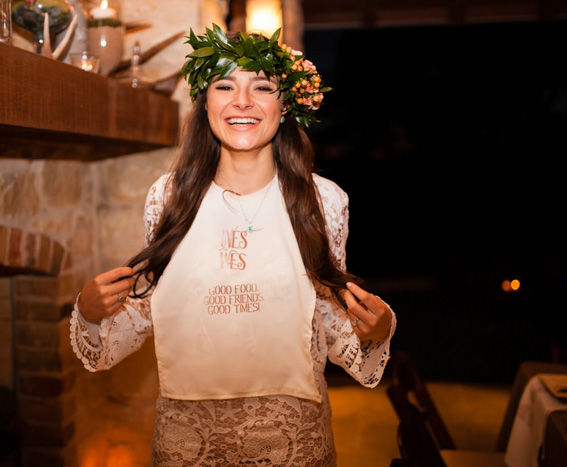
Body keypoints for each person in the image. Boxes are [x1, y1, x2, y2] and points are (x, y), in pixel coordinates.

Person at [70, 24, 396, 466]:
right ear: (206, 104)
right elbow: (155, 307)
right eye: (225, 85)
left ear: (284, 106)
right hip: (188, 440)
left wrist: (374, 333)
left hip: (293, 439)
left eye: (262, 86)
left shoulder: (324, 201)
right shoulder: (166, 197)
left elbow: (324, 317)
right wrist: (91, 315)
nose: (242, 100)